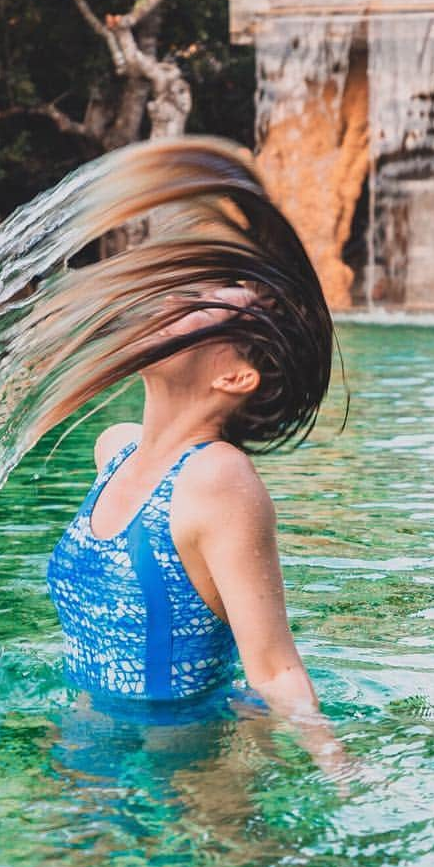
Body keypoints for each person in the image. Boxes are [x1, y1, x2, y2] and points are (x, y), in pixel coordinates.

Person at [46, 277, 359, 789]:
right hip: (89, 740)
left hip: (194, 763)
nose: (171, 300)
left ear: (235, 377)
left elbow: (275, 668)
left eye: (199, 307)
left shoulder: (218, 480)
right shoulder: (115, 451)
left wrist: (342, 770)